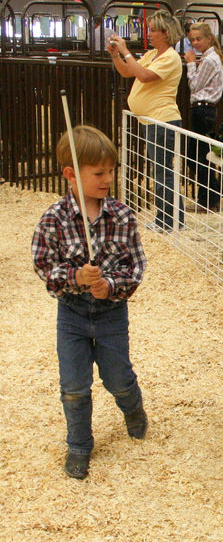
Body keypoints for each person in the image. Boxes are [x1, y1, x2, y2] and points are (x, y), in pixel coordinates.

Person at [31, 125, 148, 480]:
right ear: (70, 175)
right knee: (74, 387)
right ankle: (79, 445)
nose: (107, 178)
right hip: (72, 314)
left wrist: (110, 285)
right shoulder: (53, 219)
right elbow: (43, 265)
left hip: (111, 313)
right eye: (98, 173)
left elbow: (137, 266)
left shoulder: (123, 216)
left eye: (111, 171)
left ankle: (133, 408)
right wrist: (75, 278)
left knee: (118, 379)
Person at [108, 10, 184, 232]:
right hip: (152, 121)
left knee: (162, 171)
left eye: (152, 30)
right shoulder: (152, 55)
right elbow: (127, 71)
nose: (149, 34)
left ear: (166, 33)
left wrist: (125, 50)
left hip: (163, 120)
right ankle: (171, 219)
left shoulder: (171, 57)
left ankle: (167, 221)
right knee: (161, 170)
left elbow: (144, 76)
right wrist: (116, 55)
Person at [184, 23, 223, 213]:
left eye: (198, 39)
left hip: (203, 110)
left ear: (209, 38)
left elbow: (194, 85)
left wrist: (190, 63)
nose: (195, 43)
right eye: (192, 40)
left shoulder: (209, 60)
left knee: (196, 156)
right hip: (203, 110)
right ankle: (210, 198)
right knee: (197, 155)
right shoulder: (210, 57)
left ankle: (211, 198)